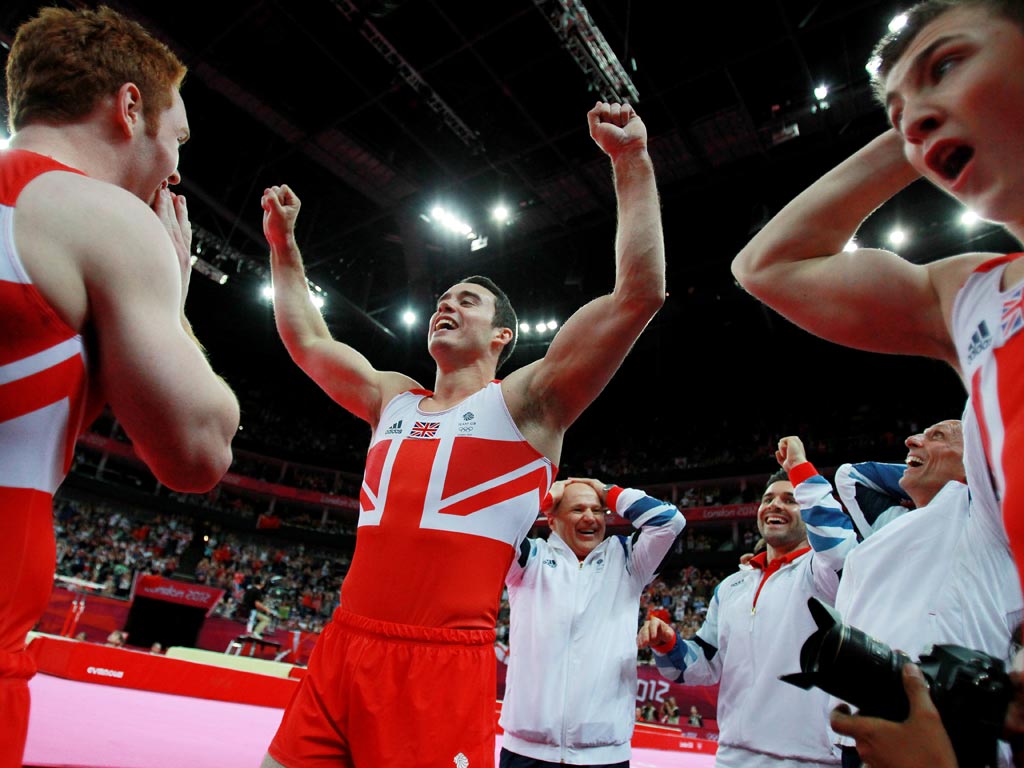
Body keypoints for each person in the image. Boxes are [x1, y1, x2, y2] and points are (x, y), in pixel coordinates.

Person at [260, 100, 665, 768]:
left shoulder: (531, 403)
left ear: (502, 335)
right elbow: (307, 339)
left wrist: (630, 162)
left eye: (467, 301)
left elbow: (638, 295)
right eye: (442, 299)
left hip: (438, 670)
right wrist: (284, 248)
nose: (446, 304)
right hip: (341, 650)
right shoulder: (391, 398)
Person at [728, 0, 1024, 758]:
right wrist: (918, 128)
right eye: (897, 112)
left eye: (947, 64)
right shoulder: (976, 294)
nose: (916, 118)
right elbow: (769, 266)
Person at [0, 7, 239, 765]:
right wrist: (169, 287)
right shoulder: (98, 213)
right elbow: (198, 451)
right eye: (178, 139)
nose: (174, 168)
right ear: (129, 106)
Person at [784, 424, 1023, 767]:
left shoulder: (983, 517)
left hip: (945, 740)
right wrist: (933, 471)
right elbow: (850, 476)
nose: (911, 440)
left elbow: (856, 475)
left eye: (938, 436)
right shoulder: (891, 523)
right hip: (859, 736)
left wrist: (964, 479)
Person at [637, 458, 857, 768]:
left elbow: (839, 547)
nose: (775, 506)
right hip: (732, 756)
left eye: (790, 500)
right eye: (768, 499)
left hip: (811, 758)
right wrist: (669, 645)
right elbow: (703, 666)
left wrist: (799, 465)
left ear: (808, 509)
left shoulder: (824, 574)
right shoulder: (732, 585)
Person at [498, 477, 685, 767]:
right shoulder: (529, 560)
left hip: (604, 755)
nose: (590, 517)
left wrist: (609, 493)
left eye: (598, 511)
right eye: (577, 510)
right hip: (526, 752)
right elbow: (493, 520)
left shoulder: (628, 560)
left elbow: (670, 521)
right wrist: (544, 497)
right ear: (552, 520)